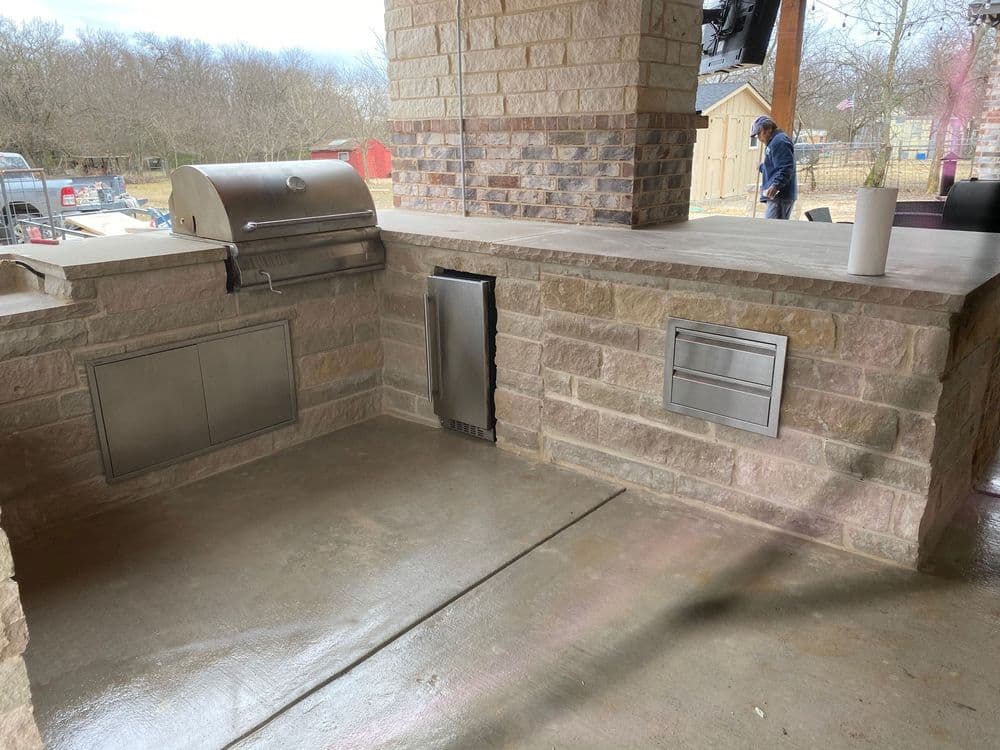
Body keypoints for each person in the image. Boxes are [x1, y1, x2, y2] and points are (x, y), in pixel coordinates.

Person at [751, 115, 797, 220]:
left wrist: (776, 185)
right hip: (777, 196)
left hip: (779, 195)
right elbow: (775, 166)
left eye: (759, 133)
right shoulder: (774, 142)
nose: (758, 138)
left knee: (773, 229)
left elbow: (786, 167)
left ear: (768, 129)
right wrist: (762, 167)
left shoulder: (779, 142)